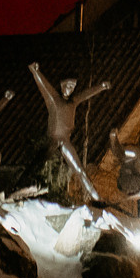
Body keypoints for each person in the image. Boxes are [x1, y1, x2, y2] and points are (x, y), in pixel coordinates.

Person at [28, 61, 109, 196]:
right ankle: (25, 184)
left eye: (74, 87)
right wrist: (35, 71)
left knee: (78, 168)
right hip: (52, 140)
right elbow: (44, 86)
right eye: (69, 85)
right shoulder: (54, 99)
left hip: (65, 140)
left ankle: (95, 197)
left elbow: (85, 94)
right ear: (62, 85)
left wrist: (101, 87)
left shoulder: (73, 102)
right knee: (40, 163)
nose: (71, 89)